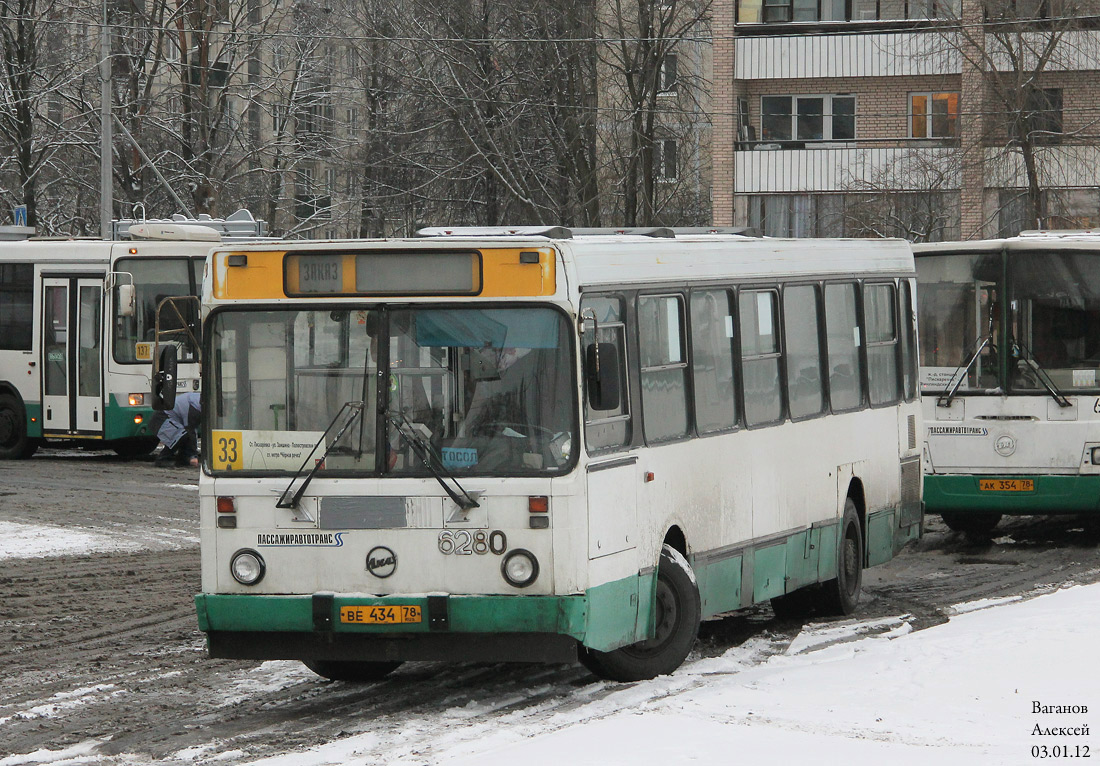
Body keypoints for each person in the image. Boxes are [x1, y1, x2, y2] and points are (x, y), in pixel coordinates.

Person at [152, 391, 201, 467]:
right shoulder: (194, 408)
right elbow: (191, 431)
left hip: (170, 420)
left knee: (183, 436)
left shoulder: (199, 401)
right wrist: (193, 455)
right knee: (180, 437)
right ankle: (162, 459)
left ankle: (183, 459)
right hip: (161, 419)